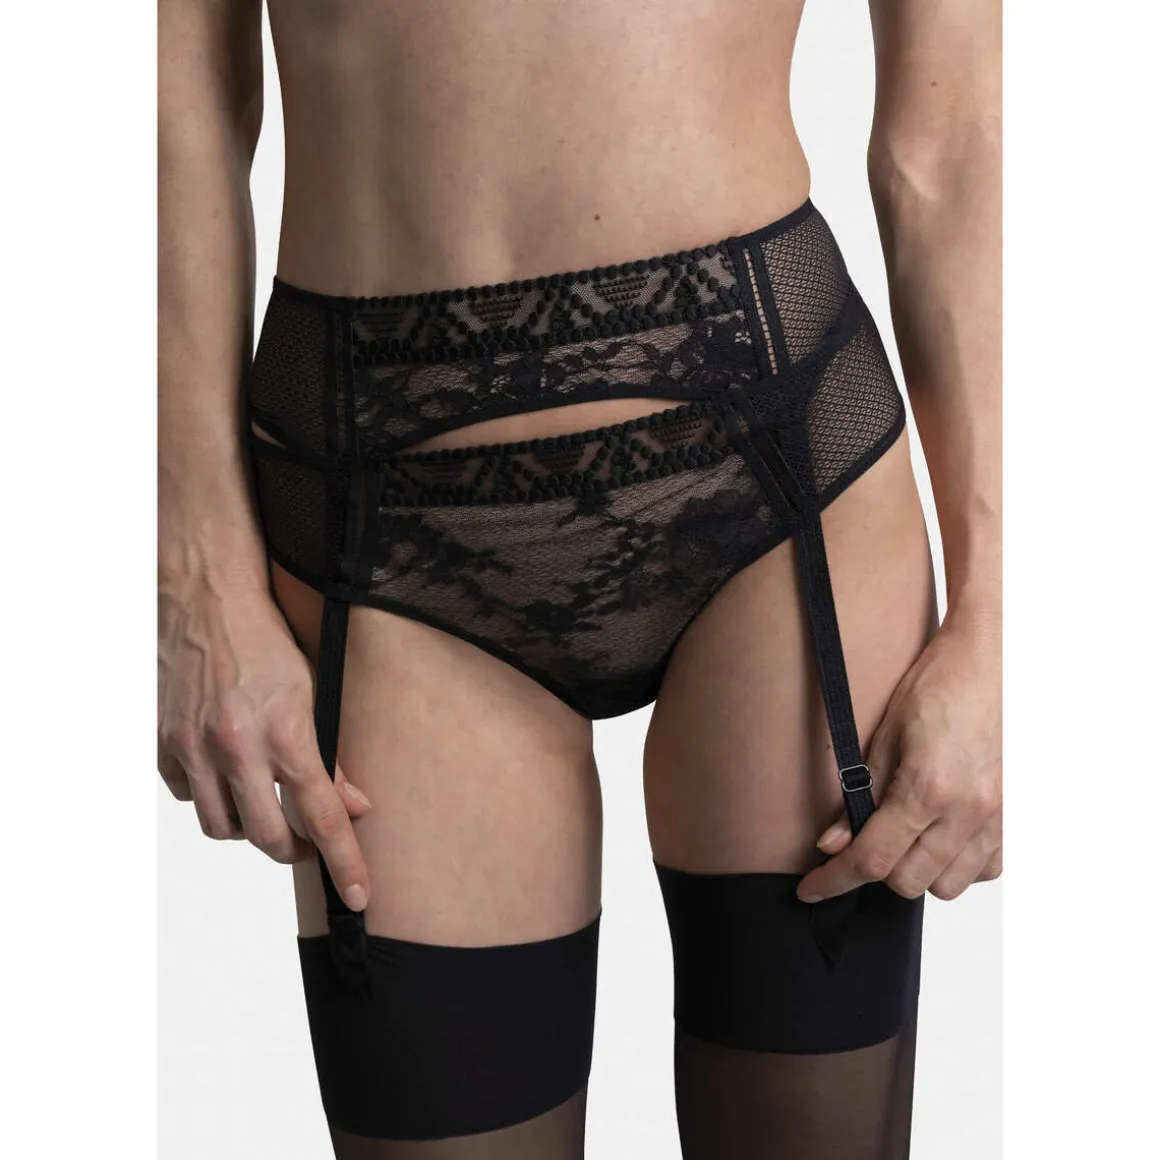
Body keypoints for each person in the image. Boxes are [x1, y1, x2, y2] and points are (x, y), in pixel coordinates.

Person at [158, 1, 1001, 1155]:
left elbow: (949, 141)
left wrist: (999, 616)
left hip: (774, 460)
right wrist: (194, 568)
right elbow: (170, 96)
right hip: (376, 511)